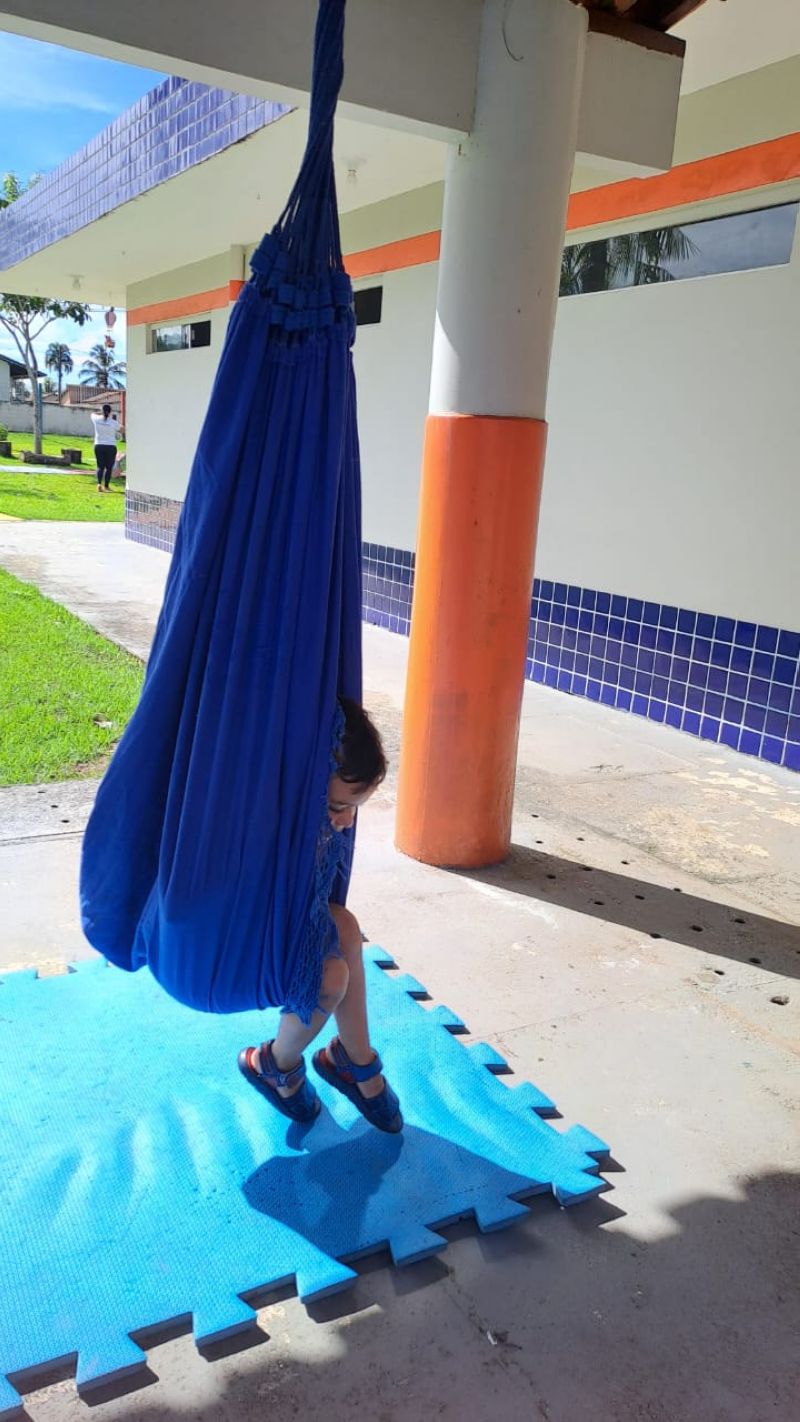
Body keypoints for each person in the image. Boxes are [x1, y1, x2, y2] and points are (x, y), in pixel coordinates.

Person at [238, 699, 403, 1133]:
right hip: (242, 936)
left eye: (354, 808)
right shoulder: (269, 816)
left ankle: (353, 1058)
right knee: (331, 978)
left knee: (345, 925)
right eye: (335, 807)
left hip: (283, 919)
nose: (346, 821)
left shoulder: (315, 826)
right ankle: (274, 1064)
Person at [89, 403, 122, 492]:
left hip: (98, 445)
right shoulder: (113, 423)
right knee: (109, 467)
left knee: (100, 467)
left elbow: (92, 414)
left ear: (102, 411)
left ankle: (99, 484)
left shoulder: (96, 419)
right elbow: (122, 430)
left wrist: (100, 413)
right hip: (111, 446)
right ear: (110, 412)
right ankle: (106, 486)